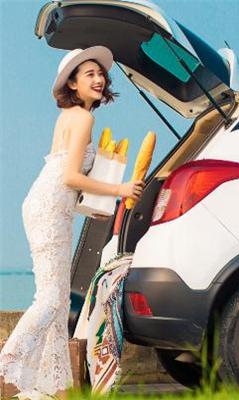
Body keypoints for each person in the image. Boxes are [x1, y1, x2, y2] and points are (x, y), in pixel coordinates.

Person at [0, 46, 145, 400]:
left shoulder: (71, 116)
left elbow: (65, 182)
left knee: (59, 301)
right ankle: (6, 363)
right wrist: (120, 189)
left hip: (50, 206)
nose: (98, 79)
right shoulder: (82, 118)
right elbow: (69, 177)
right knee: (51, 300)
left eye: (100, 74)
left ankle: (56, 387)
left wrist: (92, 206)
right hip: (49, 208)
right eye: (89, 74)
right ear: (72, 84)